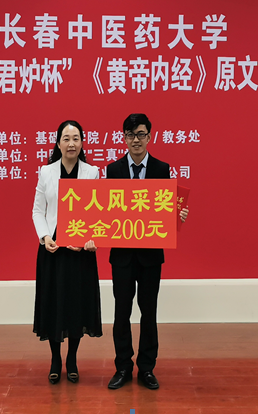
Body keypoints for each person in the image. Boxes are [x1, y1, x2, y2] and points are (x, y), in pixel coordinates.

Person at [106, 113, 188, 391]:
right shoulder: (113, 170)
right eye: (130, 135)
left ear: (149, 136)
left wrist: (178, 216)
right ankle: (122, 367)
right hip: (122, 255)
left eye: (141, 134)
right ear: (124, 138)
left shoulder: (162, 169)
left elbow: (166, 212)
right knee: (121, 312)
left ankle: (147, 368)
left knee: (148, 312)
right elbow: (106, 211)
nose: (136, 140)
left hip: (151, 256)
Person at [32, 120, 102, 384]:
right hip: (53, 251)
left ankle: (72, 359)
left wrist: (90, 239)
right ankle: (55, 359)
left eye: (76, 138)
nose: (71, 144)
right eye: (66, 138)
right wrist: (45, 237)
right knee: (54, 303)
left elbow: (99, 212)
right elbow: (38, 210)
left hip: (80, 252)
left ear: (82, 142)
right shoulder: (46, 172)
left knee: (76, 304)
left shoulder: (92, 173)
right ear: (58, 143)